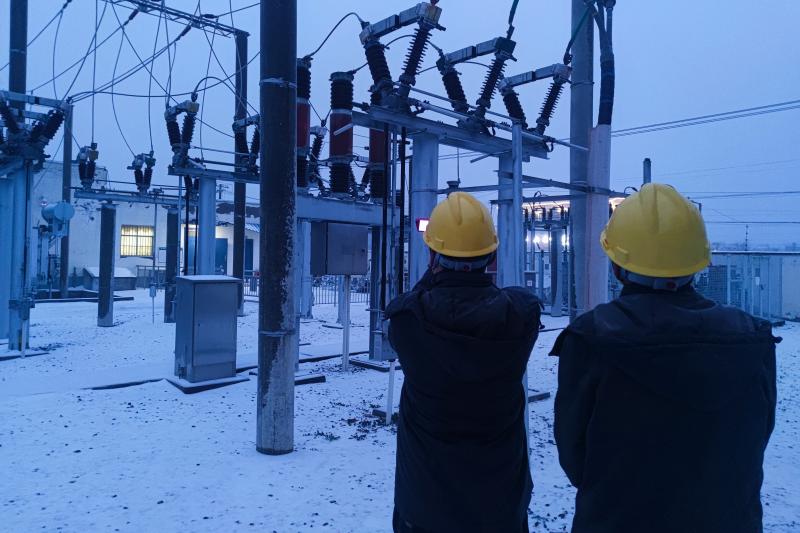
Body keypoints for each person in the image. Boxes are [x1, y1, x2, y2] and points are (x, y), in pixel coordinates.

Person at [551, 183, 778, 533]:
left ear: (617, 266)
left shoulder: (592, 338)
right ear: (699, 263)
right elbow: (758, 436)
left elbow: (575, 457)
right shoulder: (751, 336)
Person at [386, 191, 542, 533]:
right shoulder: (521, 319)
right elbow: (519, 299)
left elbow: (411, 300)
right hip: (500, 504)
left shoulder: (408, 323)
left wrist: (436, 270)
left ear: (432, 255)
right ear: (492, 255)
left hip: (425, 505)